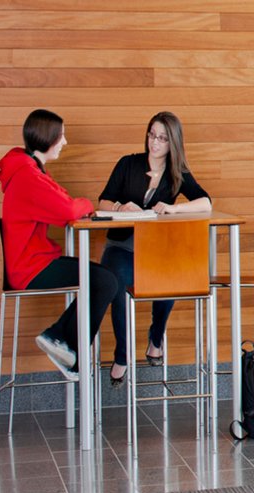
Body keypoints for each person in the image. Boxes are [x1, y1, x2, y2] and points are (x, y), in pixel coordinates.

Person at [0, 109, 121, 381]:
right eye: (61, 136)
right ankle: (61, 342)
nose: (64, 142)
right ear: (47, 137)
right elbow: (68, 209)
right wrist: (87, 203)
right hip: (30, 268)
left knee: (105, 279)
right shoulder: (27, 175)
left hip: (33, 262)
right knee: (105, 282)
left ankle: (63, 344)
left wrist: (77, 204)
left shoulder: (30, 169)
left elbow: (62, 198)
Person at [98, 112, 213, 386]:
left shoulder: (177, 173)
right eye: (152, 135)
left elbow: (206, 202)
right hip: (122, 246)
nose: (155, 143)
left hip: (155, 250)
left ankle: (156, 337)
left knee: (169, 278)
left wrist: (174, 208)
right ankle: (122, 355)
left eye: (162, 138)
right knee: (116, 284)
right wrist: (120, 207)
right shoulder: (128, 164)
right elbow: (103, 201)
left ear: (173, 143)